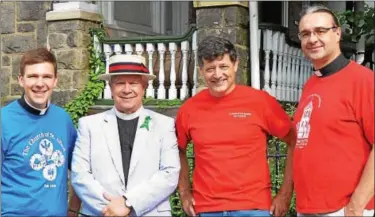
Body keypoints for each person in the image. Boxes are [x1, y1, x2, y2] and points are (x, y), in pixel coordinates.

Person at [175, 36, 296, 217]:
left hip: (255, 208)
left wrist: (285, 194)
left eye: (223, 66)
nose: (217, 74)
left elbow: (295, 141)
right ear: (201, 71)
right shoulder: (189, 109)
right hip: (207, 209)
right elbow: (177, 149)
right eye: (210, 69)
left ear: (236, 65)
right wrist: (184, 192)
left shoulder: (260, 102)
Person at [71, 54, 180, 216]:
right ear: (111, 87)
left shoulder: (163, 125)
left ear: (144, 86)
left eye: (134, 83)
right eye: (120, 83)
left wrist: (129, 203)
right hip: (101, 212)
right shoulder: (89, 125)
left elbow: (170, 173)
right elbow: (80, 174)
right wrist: (111, 208)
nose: (127, 89)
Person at [294, 5, 374, 217]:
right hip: (309, 209)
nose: (312, 39)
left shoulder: (363, 81)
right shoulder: (310, 84)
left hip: (346, 210)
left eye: (320, 31)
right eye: (305, 34)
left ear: (337, 33)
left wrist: (356, 205)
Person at [1, 48, 81, 216]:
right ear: (21, 80)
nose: (40, 83)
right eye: (32, 76)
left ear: (55, 81)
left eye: (46, 76)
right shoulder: (4, 121)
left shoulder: (63, 119)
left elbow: (80, 168)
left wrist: (73, 208)